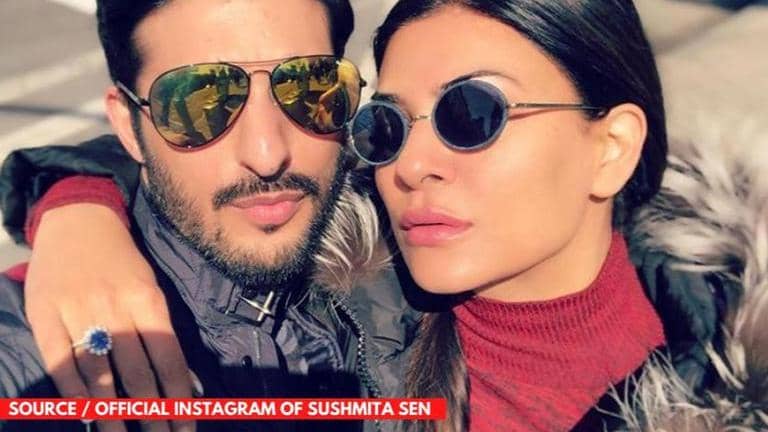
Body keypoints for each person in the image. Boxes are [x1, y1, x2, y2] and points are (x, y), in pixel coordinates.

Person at [3, 0, 767, 431]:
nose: (407, 164)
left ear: (613, 147)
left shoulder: (732, 341)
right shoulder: (334, 309)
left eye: (472, 114)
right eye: (388, 126)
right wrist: (78, 208)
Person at [0, 0, 417, 431]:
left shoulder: (419, 255)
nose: (267, 155)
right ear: (129, 127)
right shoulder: (33, 357)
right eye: (200, 105)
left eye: (310, 88)